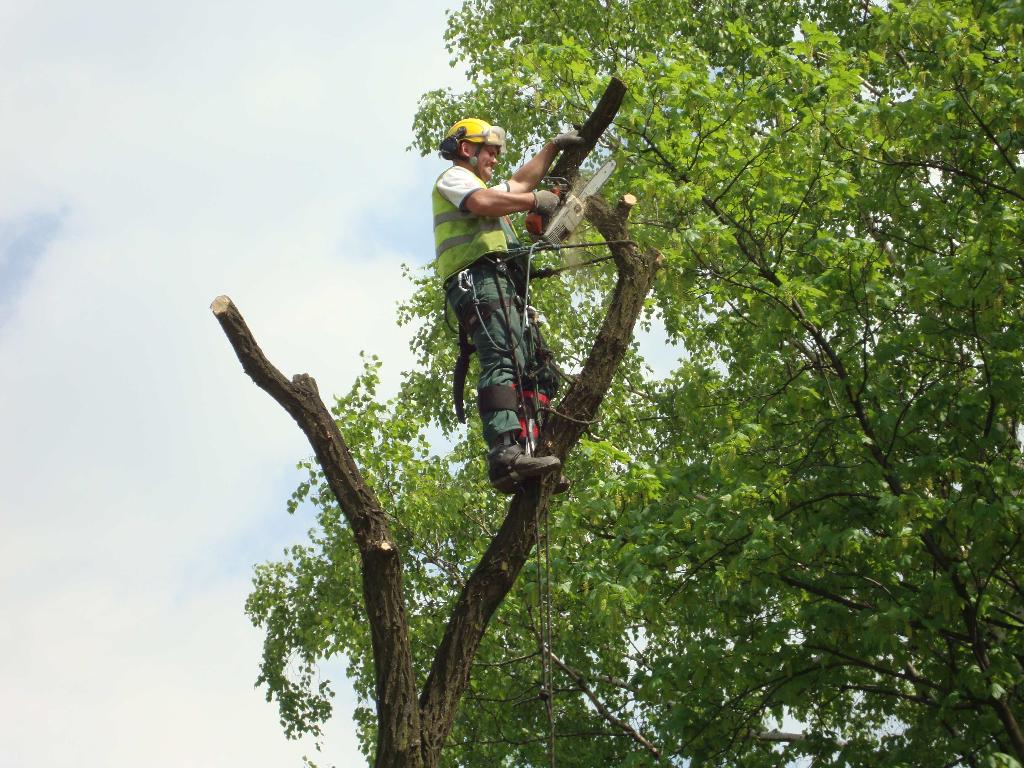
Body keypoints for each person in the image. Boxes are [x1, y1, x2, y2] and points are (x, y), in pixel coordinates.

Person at [432, 117, 582, 493]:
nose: (495, 160)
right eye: (491, 152)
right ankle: (505, 453)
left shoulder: (486, 185)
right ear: (467, 149)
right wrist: (534, 201)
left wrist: (552, 148)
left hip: (501, 283)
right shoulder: (455, 179)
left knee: (537, 369)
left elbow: (519, 183)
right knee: (501, 359)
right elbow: (486, 201)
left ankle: (534, 449)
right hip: (477, 280)